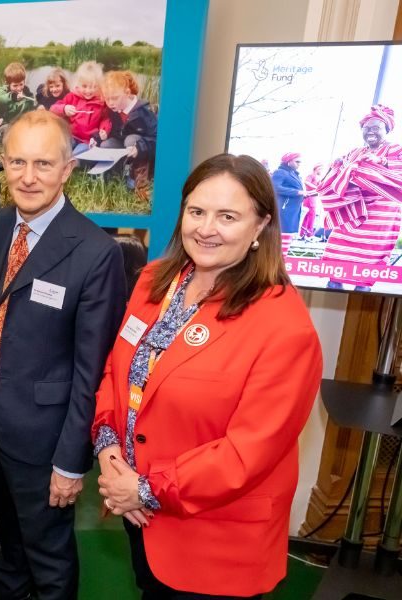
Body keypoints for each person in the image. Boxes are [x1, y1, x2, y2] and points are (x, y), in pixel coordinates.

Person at [93, 153, 323, 598]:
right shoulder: (154, 281)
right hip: (141, 516)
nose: (205, 228)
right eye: (196, 212)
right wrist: (108, 449)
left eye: (228, 216)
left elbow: (245, 454)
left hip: (215, 543)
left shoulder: (284, 327)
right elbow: (116, 372)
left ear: (260, 227)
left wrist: (143, 487)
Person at [0, 110, 127, 600]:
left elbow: (93, 371)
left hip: (45, 440)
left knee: (49, 558)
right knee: (13, 544)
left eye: (43, 163)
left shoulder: (94, 252)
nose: (28, 176)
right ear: (3, 162)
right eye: (17, 162)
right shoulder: (1, 226)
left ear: (67, 169)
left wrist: (69, 463)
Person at [319, 104, 402, 291]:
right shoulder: (355, 152)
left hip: (378, 219)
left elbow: (398, 179)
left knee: (367, 265)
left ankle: (360, 303)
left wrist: (381, 162)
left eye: (376, 127)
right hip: (351, 212)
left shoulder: (395, 149)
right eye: (366, 128)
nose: (370, 132)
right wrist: (339, 167)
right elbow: (340, 176)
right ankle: (333, 294)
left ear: (386, 129)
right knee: (336, 258)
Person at [98, 71, 158, 199]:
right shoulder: (113, 109)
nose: (110, 103)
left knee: (131, 140)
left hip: (142, 151)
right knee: (106, 144)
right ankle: (117, 176)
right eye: (107, 98)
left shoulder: (144, 112)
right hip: (125, 149)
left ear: (127, 92)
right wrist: (99, 136)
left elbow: (157, 139)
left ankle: (140, 183)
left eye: (114, 98)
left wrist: (139, 148)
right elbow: (114, 132)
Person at [50, 61, 112, 153]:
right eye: (84, 86)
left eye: (93, 87)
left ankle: (75, 162)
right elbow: (53, 109)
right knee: (59, 149)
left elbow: (105, 119)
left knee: (78, 155)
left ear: (99, 86)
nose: (88, 91)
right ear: (78, 83)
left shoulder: (101, 102)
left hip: (87, 141)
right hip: (71, 136)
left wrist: (104, 130)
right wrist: (64, 108)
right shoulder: (71, 97)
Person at [271, 152, 305, 255]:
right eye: (297, 161)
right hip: (283, 210)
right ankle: (277, 263)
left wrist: (305, 194)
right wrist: (297, 192)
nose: (299, 164)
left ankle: (281, 263)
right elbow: (275, 187)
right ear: (288, 161)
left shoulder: (294, 174)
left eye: (300, 162)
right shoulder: (280, 172)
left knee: (286, 238)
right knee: (281, 238)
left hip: (291, 210)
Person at [0, 62, 37, 135]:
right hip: (5, 123)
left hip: (21, 124)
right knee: (6, 131)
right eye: (15, 86)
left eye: (21, 84)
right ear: (8, 84)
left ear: (24, 82)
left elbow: (31, 110)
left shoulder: (28, 94)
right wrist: (12, 97)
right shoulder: (2, 91)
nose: (19, 88)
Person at [300, 162, 325, 239]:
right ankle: (308, 234)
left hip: (313, 198)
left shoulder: (318, 177)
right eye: (321, 169)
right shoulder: (311, 175)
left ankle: (304, 233)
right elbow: (306, 182)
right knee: (311, 215)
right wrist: (316, 188)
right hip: (309, 197)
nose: (321, 170)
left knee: (309, 216)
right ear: (317, 168)